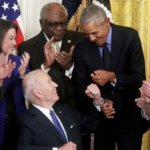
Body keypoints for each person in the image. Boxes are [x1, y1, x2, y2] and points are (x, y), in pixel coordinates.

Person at [73, 4, 149, 150]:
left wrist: (113, 77)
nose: (91, 38)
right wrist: (101, 102)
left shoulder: (130, 36)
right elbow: (82, 86)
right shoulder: (81, 49)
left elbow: (138, 78)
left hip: (130, 119)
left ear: (107, 22)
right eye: (86, 34)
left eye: (95, 33)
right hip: (102, 123)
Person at [17, 2, 85, 108]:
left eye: (63, 23)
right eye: (53, 24)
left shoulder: (80, 40)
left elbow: (88, 78)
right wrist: (45, 66)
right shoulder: (26, 48)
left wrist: (70, 67)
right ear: (41, 23)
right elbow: (28, 89)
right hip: (47, 113)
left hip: (79, 110)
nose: (59, 28)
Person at [15, 70, 105, 150]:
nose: (56, 85)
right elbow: (22, 148)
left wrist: (97, 100)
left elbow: (94, 125)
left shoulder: (65, 109)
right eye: (49, 82)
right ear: (38, 92)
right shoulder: (26, 121)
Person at [0, 19, 30, 149]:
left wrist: (22, 75)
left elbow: (30, 95)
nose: (15, 43)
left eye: (15, 38)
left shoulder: (19, 61)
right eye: (11, 38)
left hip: (19, 122)